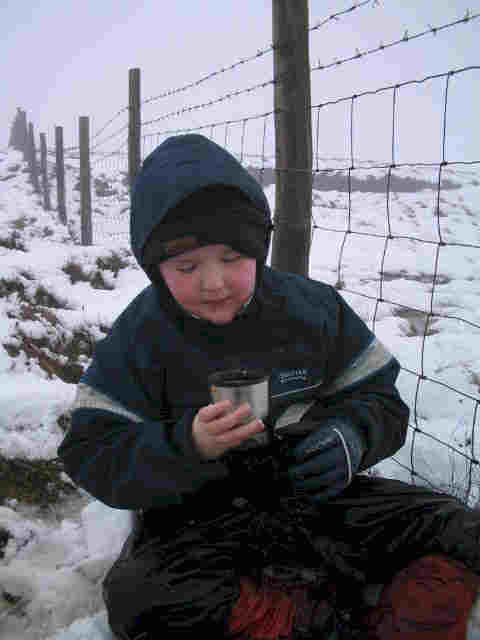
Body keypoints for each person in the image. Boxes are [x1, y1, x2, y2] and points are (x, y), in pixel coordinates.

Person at [58, 134, 480, 640]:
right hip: (196, 522)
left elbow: (380, 400)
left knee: (454, 527)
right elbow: (91, 451)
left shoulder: (313, 311)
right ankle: (315, 622)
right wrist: (185, 445)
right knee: (141, 597)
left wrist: (351, 438)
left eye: (233, 258)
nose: (214, 283)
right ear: (155, 268)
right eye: (187, 267)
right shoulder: (140, 336)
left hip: (316, 499)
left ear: (259, 250)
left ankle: (400, 613)